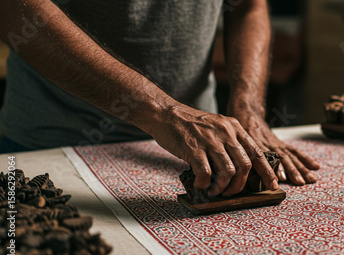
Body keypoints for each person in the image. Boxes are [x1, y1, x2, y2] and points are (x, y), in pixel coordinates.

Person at [0, 0, 320, 197]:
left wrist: (248, 108)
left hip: (201, 154)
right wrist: (163, 113)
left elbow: (249, 5)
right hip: (50, 143)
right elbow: (14, 9)